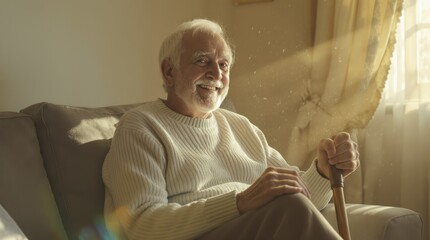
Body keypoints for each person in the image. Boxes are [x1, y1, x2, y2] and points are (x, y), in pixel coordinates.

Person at [102, 19, 360, 240]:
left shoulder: (241, 126)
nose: (216, 74)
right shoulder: (140, 127)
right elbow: (140, 225)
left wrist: (323, 173)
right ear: (169, 71)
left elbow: (298, 202)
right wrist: (240, 202)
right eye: (203, 61)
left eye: (224, 65)